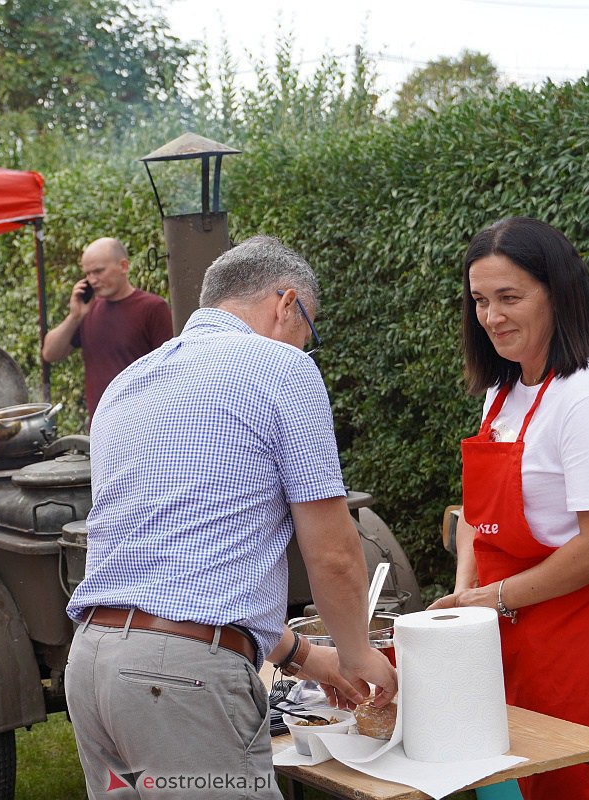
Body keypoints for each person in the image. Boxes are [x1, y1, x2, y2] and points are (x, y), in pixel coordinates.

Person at [64, 235, 397, 799]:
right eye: (307, 332)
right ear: (286, 303)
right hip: (179, 680)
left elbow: (186, 569)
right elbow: (334, 552)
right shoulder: (282, 368)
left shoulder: (128, 383)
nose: (304, 347)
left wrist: (310, 659)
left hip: (92, 664)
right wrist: (361, 652)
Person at [429, 217, 589, 800]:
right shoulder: (504, 390)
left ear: (558, 294)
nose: (492, 317)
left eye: (510, 298)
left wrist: (489, 599)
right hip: (517, 621)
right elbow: (478, 513)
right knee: (511, 780)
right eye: (480, 301)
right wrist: (467, 597)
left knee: (571, 787)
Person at [40, 237, 172, 419]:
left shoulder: (152, 308)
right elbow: (50, 354)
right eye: (87, 274)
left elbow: (170, 370)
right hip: (100, 424)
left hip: (143, 421)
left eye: (98, 271)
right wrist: (74, 316)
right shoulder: (88, 309)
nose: (92, 280)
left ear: (123, 266)